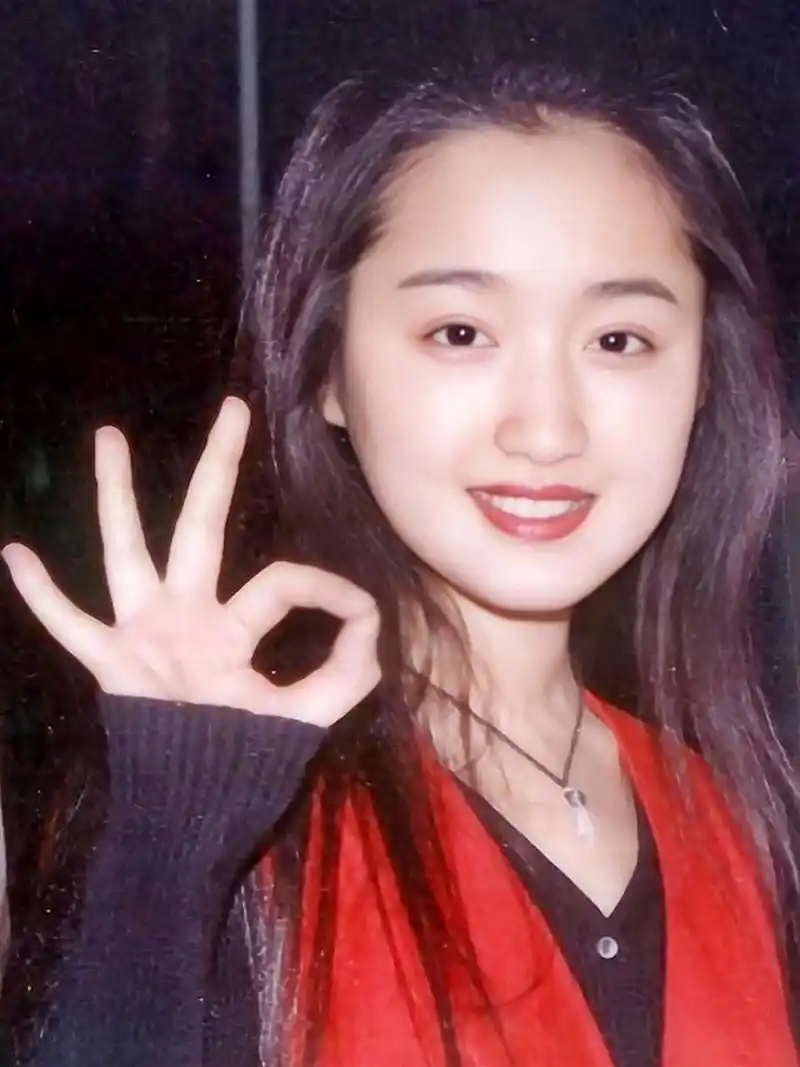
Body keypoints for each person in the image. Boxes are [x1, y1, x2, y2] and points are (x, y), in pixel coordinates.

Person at [1, 57, 799, 1067]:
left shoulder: (734, 817)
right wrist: (173, 827)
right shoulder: (240, 809)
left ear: (703, 377)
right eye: (459, 332)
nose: (547, 428)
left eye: (618, 339)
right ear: (328, 370)